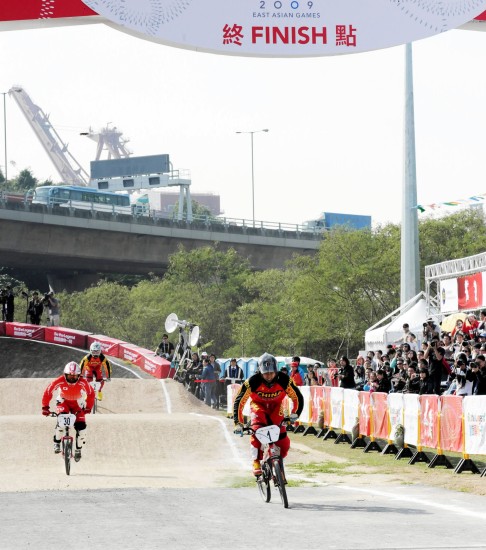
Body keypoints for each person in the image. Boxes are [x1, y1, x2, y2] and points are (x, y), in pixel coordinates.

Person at [233, 353, 304, 476]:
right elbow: (239, 402)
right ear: (260, 372)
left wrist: (295, 414)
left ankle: (278, 462)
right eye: (266, 373)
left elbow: (298, 397)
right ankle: (256, 460)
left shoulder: (285, 380)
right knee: (256, 430)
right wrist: (238, 423)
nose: (269, 376)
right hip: (258, 407)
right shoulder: (252, 382)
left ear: (276, 371)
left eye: (272, 372)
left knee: (283, 440)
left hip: (276, 407)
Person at [41, 361, 95, 461]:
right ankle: (57, 442)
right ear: (65, 374)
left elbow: (91, 394)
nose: (72, 378)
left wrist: (88, 407)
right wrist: (45, 407)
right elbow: (48, 391)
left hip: (77, 404)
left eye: (75, 377)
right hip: (63, 402)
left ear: (79, 376)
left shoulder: (83, 382)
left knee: (82, 429)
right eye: (69, 376)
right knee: (61, 423)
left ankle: (78, 449)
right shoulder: (60, 380)